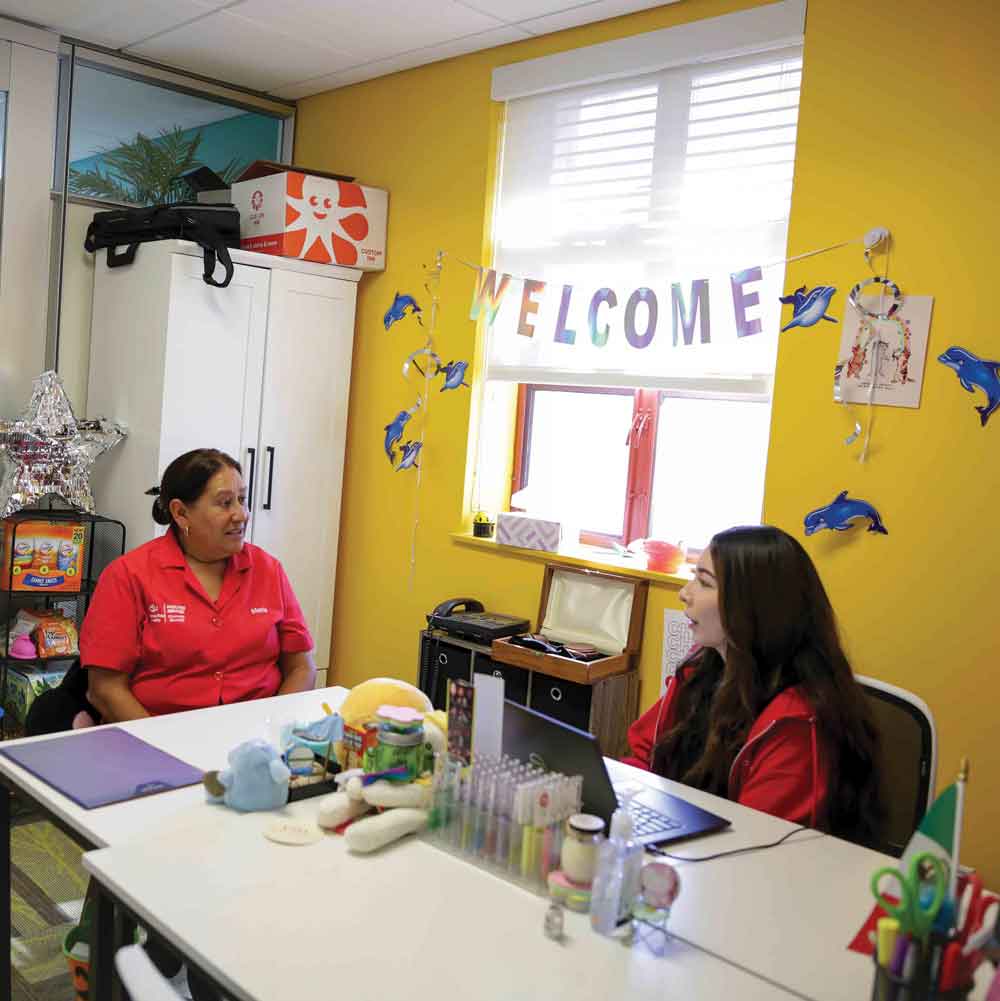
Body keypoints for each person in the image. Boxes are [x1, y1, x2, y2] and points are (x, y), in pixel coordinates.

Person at [623, 525, 881, 843]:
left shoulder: (795, 721)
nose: (685, 593)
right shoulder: (699, 671)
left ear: (752, 607)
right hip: (686, 853)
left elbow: (755, 841)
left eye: (704, 582)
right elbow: (644, 757)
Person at [80, 447, 316, 722]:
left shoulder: (268, 570)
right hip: (159, 737)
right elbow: (105, 689)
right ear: (180, 513)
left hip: (255, 738)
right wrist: (160, 747)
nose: (241, 515)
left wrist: (274, 727)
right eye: (225, 503)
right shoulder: (128, 576)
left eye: (242, 499)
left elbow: (301, 667)